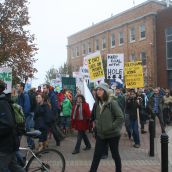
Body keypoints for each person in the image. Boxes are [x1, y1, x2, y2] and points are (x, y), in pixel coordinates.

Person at [89, 83, 123, 172]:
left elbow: (120, 117)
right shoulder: (97, 104)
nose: (98, 91)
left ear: (105, 91)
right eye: (97, 90)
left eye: (101, 89)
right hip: (101, 135)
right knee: (96, 156)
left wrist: (111, 126)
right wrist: (95, 127)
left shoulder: (112, 103)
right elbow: (96, 117)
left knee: (115, 155)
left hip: (113, 135)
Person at [0, 80, 25, 172]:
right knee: (13, 167)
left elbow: (8, 124)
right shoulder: (4, 101)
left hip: (5, 145)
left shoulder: (2, 103)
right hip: (9, 143)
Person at [17, 82, 35, 149]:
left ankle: (31, 144)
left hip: (26, 115)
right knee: (24, 130)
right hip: (22, 115)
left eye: (18, 86)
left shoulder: (25, 95)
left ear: (22, 87)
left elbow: (27, 107)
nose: (17, 87)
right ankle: (30, 144)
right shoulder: (20, 95)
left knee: (27, 129)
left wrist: (23, 116)